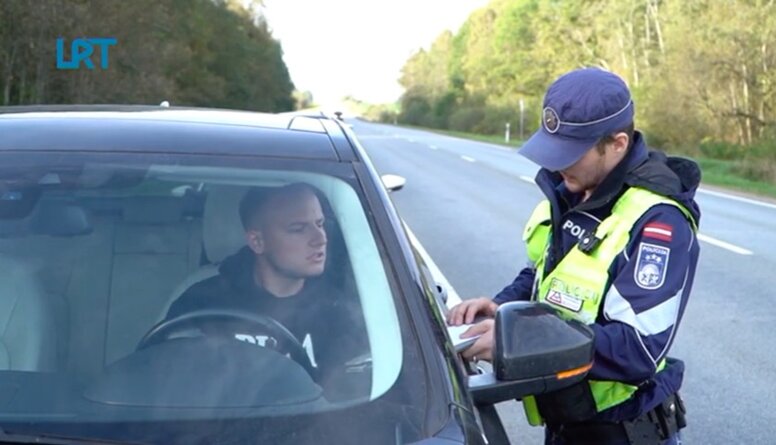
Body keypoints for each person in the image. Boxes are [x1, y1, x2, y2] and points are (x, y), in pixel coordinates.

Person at [447, 68, 700, 445]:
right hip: (567, 424)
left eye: (569, 152)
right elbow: (550, 272)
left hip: (623, 433)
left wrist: (518, 341)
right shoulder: (577, 191)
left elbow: (638, 349)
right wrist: (501, 306)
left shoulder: (657, 221)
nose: (554, 164)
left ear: (616, 143)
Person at [165, 182, 366, 386]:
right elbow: (163, 378)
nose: (320, 238)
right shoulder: (201, 303)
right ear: (257, 241)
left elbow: (351, 394)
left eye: (320, 224)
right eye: (298, 229)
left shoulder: (338, 311)